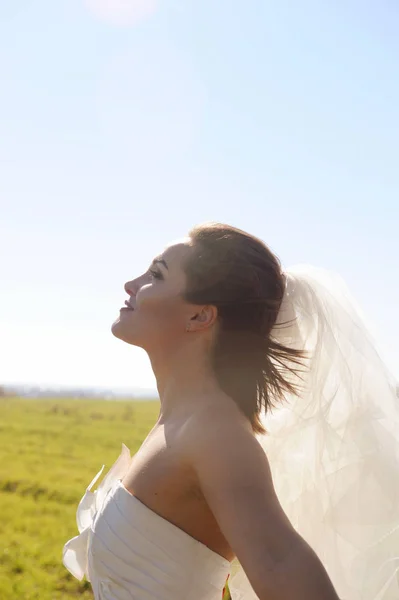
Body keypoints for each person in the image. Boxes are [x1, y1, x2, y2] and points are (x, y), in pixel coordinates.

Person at [63, 222, 399, 600]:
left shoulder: (214, 434)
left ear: (200, 316)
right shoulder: (181, 422)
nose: (131, 284)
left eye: (155, 274)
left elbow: (282, 566)